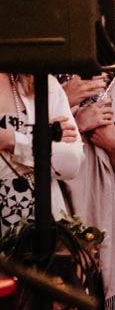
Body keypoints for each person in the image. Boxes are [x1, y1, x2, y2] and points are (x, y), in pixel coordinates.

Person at [61, 73, 115, 310]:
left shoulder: (111, 88)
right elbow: (28, 151)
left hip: (108, 217)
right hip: (59, 209)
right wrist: (75, 121)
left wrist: (112, 144)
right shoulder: (36, 86)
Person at [0, 74, 82, 236]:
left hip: (38, 220)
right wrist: (43, 141)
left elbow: (70, 164)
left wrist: (12, 141)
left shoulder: (42, 82)